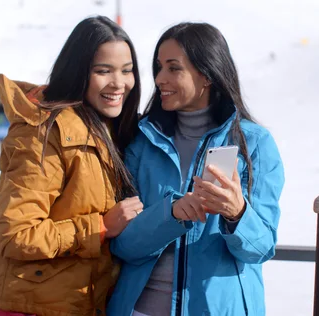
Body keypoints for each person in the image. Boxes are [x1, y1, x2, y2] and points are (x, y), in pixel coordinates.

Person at [107, 22, 285, 316]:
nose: (160, 78)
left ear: (206, 75)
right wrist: (171, 213)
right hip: (140, 309)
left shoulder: (254, 144)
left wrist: (237, 213)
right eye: (159, 67)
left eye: (173, 68)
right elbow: (124, 246)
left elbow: (261, 248)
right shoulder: (142, 141)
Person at [0, 16, 143, 316]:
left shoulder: (107, 129)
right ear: (78, 72)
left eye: (127, 71)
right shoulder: (44, 131)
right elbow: (16, 234)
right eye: (103, 71)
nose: (119, 83)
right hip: (32, 308)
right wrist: (101, 227)